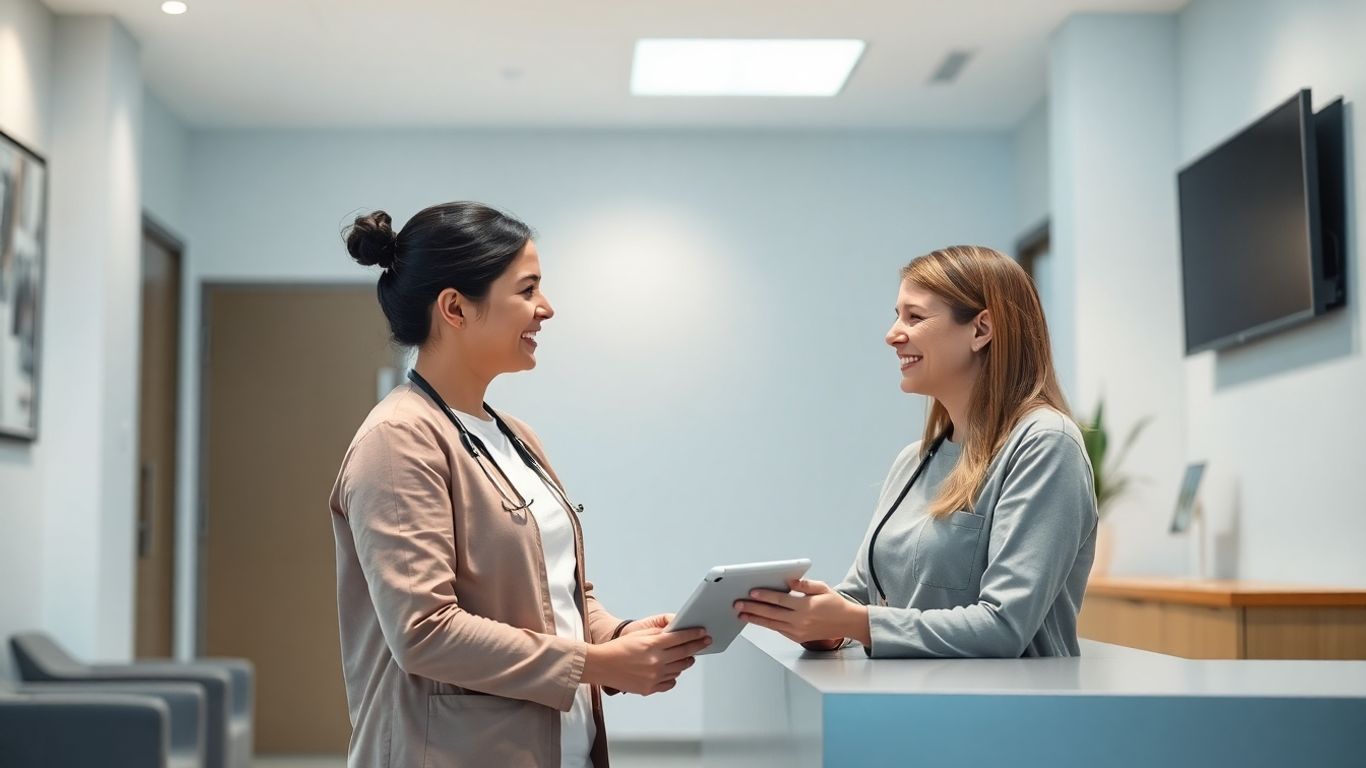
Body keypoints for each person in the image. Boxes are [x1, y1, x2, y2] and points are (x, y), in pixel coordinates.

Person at [330, 202, 710, 767]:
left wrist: (618, 636)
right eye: (528, 289)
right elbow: (424, 632)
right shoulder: (398, 440)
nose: (547, 309)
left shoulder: (514, 435)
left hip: (560, 748)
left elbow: (560, 594)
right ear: (455, 308)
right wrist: (597, 664)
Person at [736, 244, 1098, 658]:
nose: (892, 334)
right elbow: (864, 597)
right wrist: (821, 624)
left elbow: (1004, 626)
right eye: (897, 316)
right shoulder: (914, 459)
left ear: (981, 329)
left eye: (915, 316)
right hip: (910, 705)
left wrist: (854, 621)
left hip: (1006, 714)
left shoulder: (1045, 444)